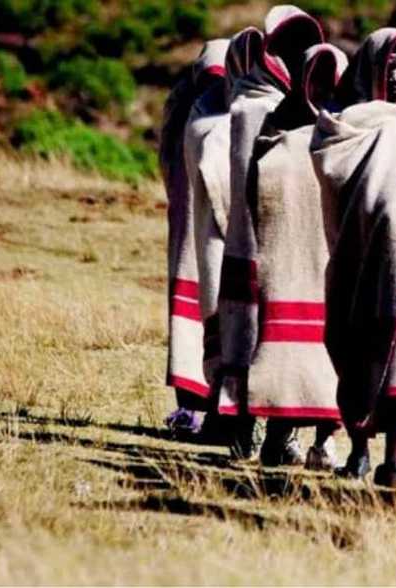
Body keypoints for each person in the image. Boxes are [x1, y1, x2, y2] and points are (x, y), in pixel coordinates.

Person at [311, 28, 396, 490]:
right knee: (357, 342)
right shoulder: (343, 122)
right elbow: (330, 168)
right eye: (390, 66)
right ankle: (359, 451)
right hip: (355, 247)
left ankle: (393, 462)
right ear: (370, 67)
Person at [218, 5, 325, 462]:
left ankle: (283, 436)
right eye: (288, 49)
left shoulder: (318, 111)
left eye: (306, 49)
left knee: (285, 342)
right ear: (270, 52)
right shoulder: (252, 108)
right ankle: (243, 431)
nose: (297, 59)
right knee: (248, 336)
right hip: (251, 241)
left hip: (299, 247)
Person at [181, 28, 263, 446]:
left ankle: (249, 421)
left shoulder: (272, 110)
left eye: (258, 64)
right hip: (216, 233)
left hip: (257, 239)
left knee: (255, 329)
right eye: (242, 64)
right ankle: (220, 410)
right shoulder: (206, 111)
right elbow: (202, 164)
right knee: (221, 321)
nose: (249, 73)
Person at [162, 38, 229, 438]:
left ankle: (210, 406)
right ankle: (194, 405)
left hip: (201, 236)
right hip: (192, 234)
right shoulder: (193, 118)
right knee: (198, 311)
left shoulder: (192, 114)